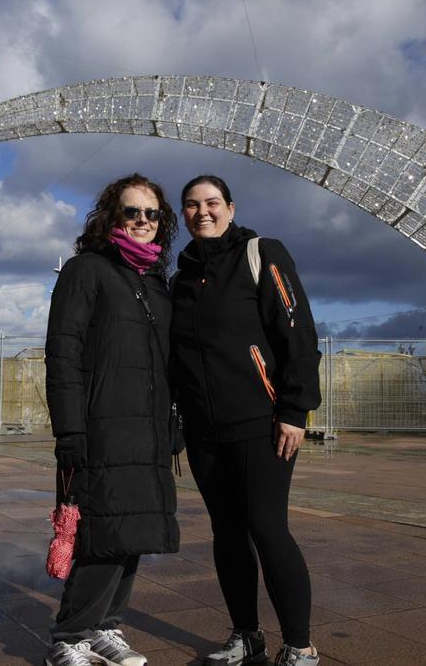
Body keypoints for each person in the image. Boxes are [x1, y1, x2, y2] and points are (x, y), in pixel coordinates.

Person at [170, 175, 322, 666]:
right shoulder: (182, 277)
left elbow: (297, 333)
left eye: (212, 202)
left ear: (231, 208)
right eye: (191, 205)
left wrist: (294, 410)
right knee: (227, 534)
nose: (202, 212)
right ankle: (246, 635)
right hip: (204, 430)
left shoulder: (262, 253)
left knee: (268, 529)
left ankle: (299, 645)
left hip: (260, 422)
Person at [44, 174, 181, 666]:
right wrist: (70, 430)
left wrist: (174, 421)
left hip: (148, 430)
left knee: (133, 531)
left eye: (152, 213)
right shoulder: (86, 270)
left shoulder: (155, 283)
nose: (143, 220)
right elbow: (63, 354)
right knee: (102, 533)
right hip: (101, 427)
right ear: (111, 216)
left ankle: (105, 626)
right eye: (132, 211)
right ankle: (69, 637)